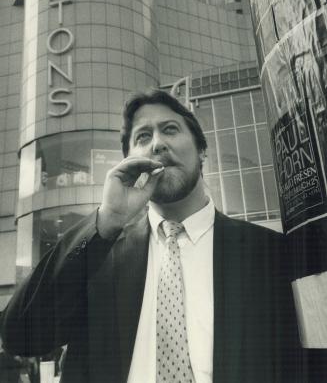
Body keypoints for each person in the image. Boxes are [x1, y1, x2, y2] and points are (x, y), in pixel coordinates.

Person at [0, 90, 326, 383]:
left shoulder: (269, 253)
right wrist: (106, 220)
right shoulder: (98, 254)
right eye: (143, 137)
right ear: (129, 162)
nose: (157, 143)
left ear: (202, 153)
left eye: (170, 129)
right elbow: (21, 336)